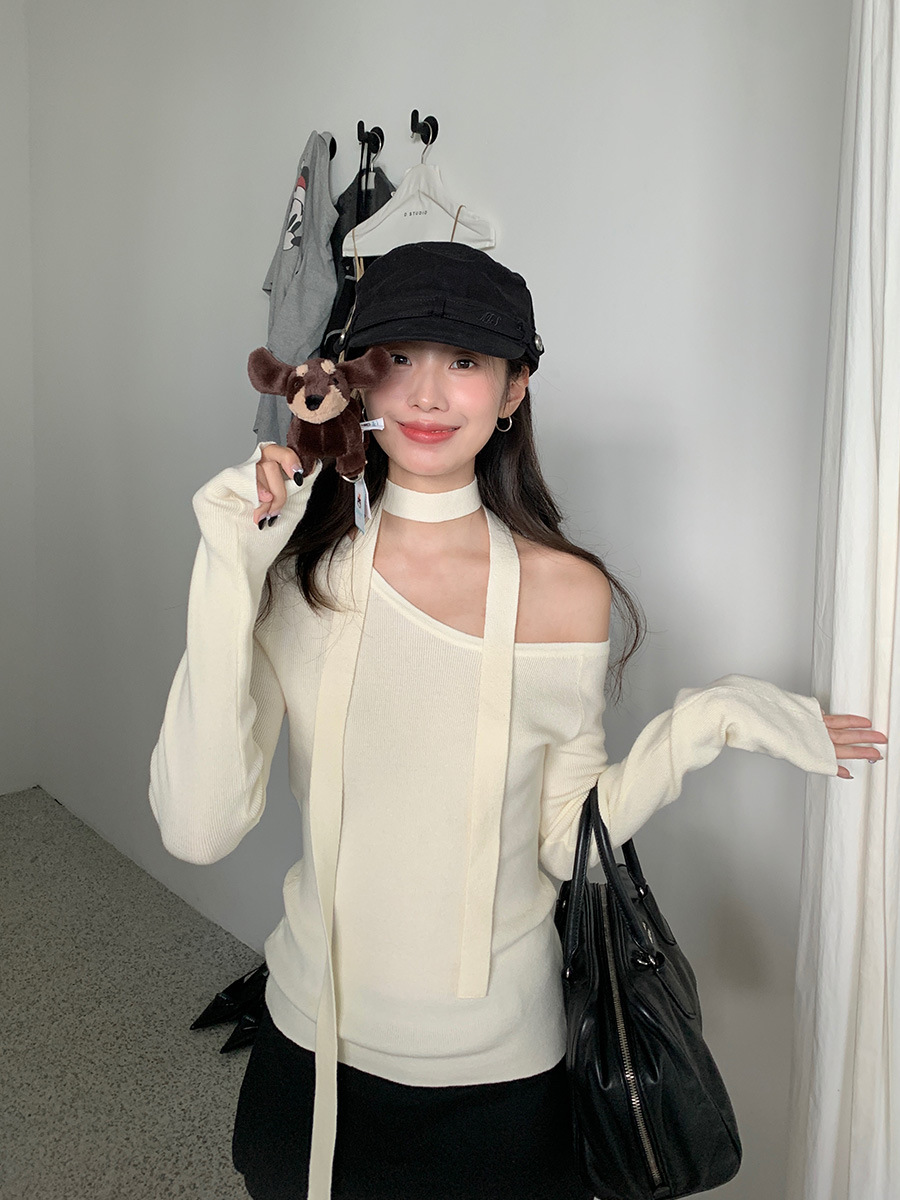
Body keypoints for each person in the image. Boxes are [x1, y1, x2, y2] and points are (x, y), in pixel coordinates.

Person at [149, 242, 886, 1200]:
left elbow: (564, 843)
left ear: (512, 390)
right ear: (354, 378)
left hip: (500, 1084)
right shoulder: (300, 577)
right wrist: (229, 562)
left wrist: (707, 724)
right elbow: (199, 828)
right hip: (310, 1055)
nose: (425, 393)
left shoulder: (566, 590)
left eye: (464, 360)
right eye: (397, 358)